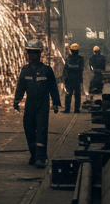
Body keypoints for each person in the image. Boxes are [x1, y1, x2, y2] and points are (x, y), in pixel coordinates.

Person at [13, 37, 60, 168]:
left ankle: (41, 157)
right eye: (30, 52)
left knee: (41, 130)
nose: (31, 55)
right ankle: (34, 154)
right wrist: (17, 100)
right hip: (30, 105)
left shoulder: (47, 70)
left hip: (42, 105)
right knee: (29, 130)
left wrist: (55, 102)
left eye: (34, 52)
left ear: (39, 54)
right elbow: (21, 86)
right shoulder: (25, 70)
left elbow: (53, 87)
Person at [62, 43, 85, 113]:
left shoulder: (68, 58)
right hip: (77, 79)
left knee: (68, 94)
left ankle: (67, 109)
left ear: (71, 50)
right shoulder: (81, 59)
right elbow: (81, 68)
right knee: (77, 94)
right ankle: (76, 109)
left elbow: (66, 69)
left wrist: (64, 77)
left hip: (69, 79)